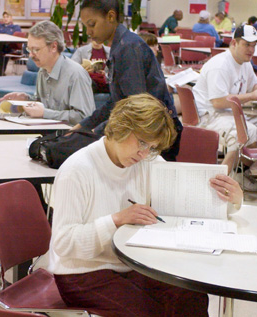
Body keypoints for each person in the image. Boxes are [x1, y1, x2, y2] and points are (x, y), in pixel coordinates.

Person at [49, 93, 242, 316]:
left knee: (192, 297)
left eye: (152, 147)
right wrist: (116, 220)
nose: (144, 154)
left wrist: (232, 200)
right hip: (81, 272)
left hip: (128, 265)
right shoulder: (77, 171)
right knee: (148, 311)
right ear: (120, 126)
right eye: (141, 142)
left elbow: (187, 203)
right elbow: (63, 243)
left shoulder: (146, 161)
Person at [72, 0, 182, 161]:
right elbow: (116, 102)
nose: (89, 32)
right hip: (146, 129)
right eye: (86, 26)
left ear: (111, 16)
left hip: (159, 135)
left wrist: (95, 133)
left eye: (92, 24)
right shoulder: (120, 46)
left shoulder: (128, 48)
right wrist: (83, 126)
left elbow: (135, 108)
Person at [192, 24, 257, 188]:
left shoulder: (245, 63)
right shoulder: (220, 65)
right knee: (244, 131)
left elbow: (253, 86)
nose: (251, 49)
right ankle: (219, 183)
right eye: (247, 44)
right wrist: (251, 96)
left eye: (254, 45)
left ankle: (242, 173)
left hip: (227, 113)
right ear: (234, 43)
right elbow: (218, 102)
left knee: (250, 129)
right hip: (208, 116)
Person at [0, 20, 95, 126]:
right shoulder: (43, 70)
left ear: (53, 47)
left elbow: (84, 117)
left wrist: (45, 113)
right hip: (50, 135)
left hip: (71, 139)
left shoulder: (76, 75)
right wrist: (26, 99)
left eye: (36, 49)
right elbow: (44, 103)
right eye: (29, 49)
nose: (31, 55)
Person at [139, 32, 181, 115]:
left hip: (156, 101)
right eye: (153, 46)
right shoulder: (144, 66)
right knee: (188, 102)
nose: (157, 49)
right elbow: (152, 91)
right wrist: (167, 88)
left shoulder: (144, 63)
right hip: (155, 105)